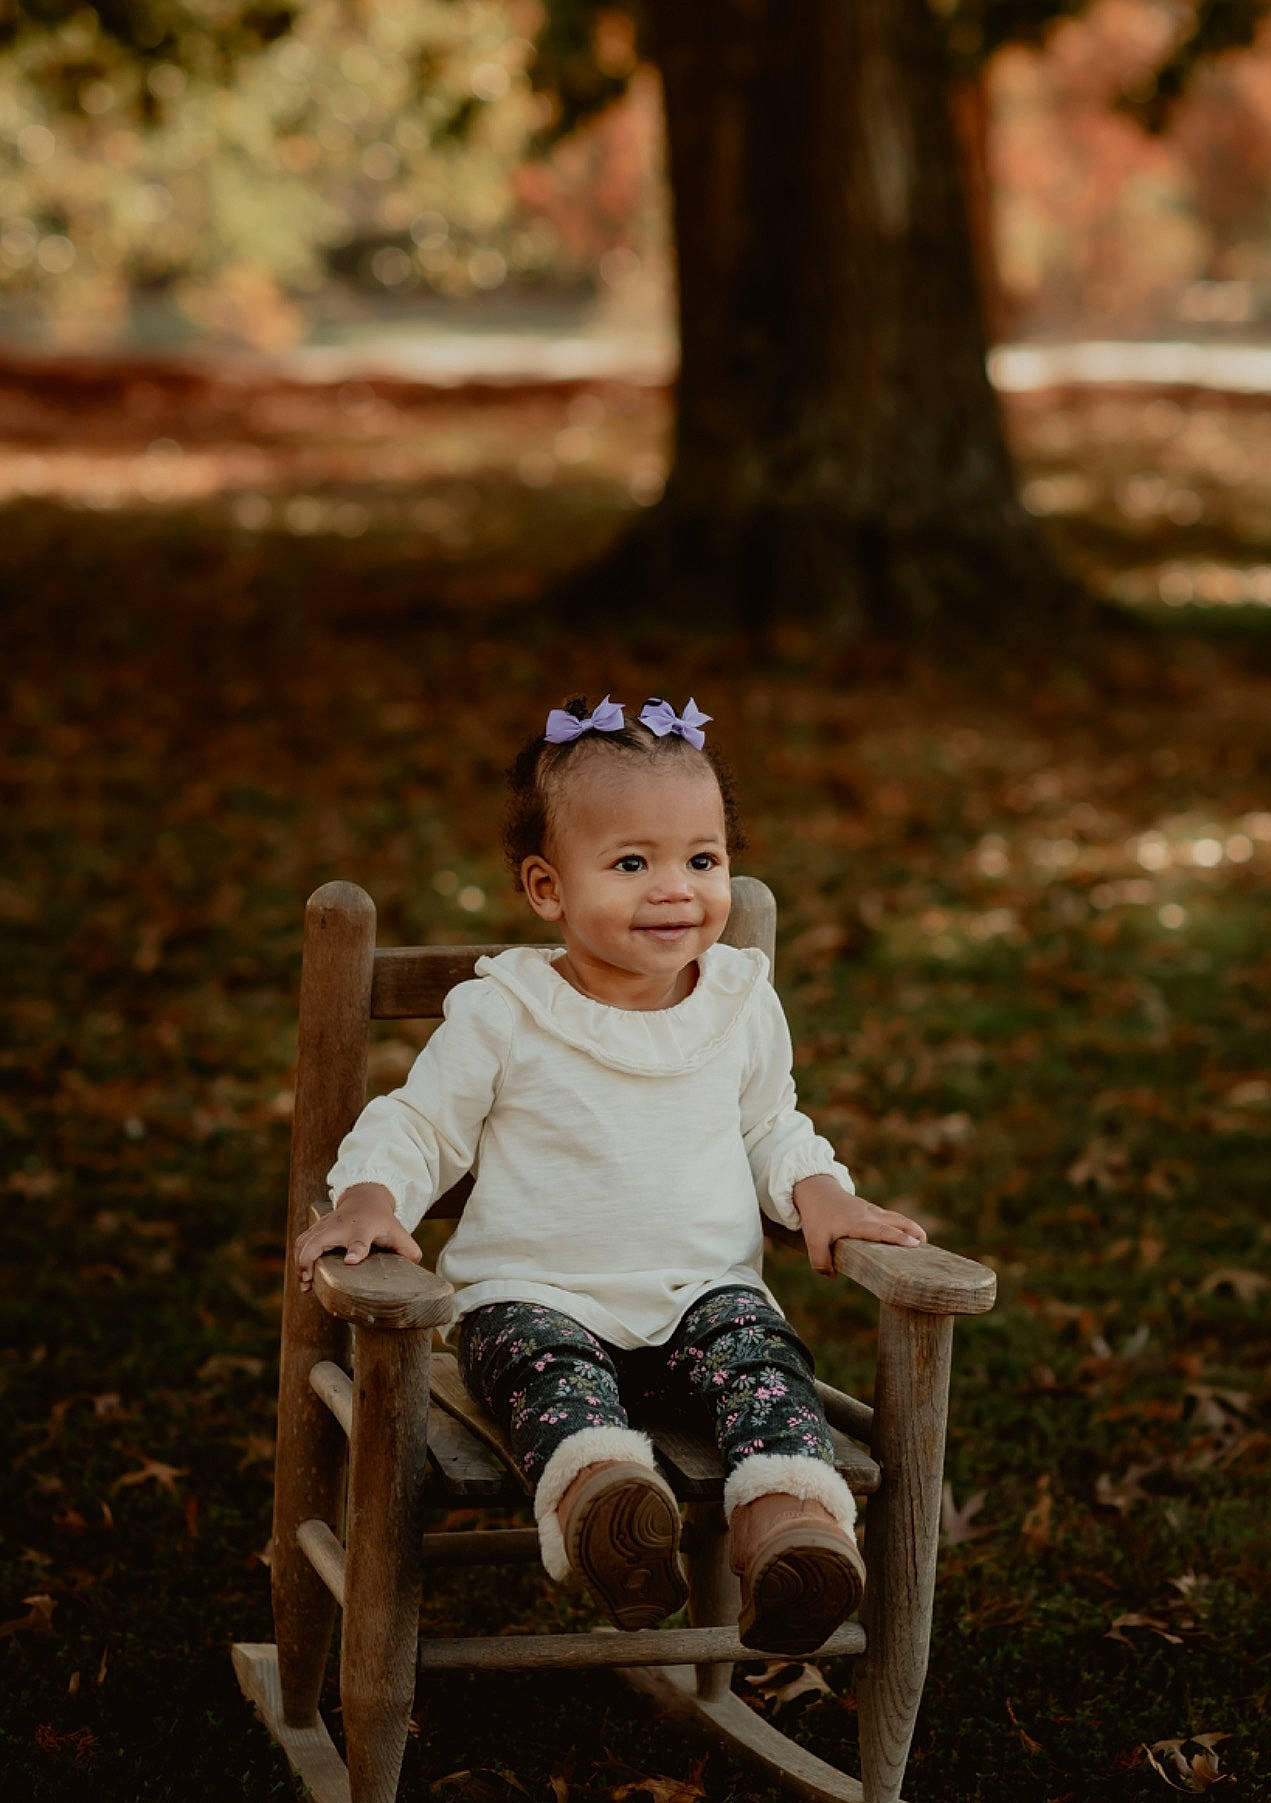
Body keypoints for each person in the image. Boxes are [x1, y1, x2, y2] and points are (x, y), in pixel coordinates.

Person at [294, 694, 926, 1655]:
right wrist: (373, 1200)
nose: (674, 889)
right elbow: (417, 1124)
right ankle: (608, 1510)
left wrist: (817, 1191)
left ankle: (789, 1531)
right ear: (548, 888)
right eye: (632, 863)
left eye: (701, 860)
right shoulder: (504, 1012)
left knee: (762, 1370)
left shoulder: (740, 1003)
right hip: (534, 1298)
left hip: (704, 1294)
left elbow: (769, 1123)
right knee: (550, 1380)